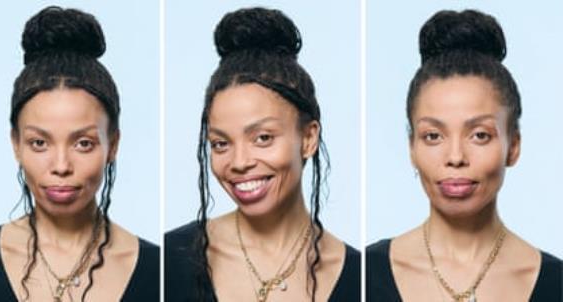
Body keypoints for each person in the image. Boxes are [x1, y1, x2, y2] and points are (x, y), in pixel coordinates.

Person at [0, 6, 159, 301]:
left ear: (113, 145)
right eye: (39, 143)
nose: (61, 166)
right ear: (16, 144)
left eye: (83, 143)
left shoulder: (159, 273)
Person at [165, 7, 361, 302]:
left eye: (263, 138)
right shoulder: (169, 259)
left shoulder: (360, 279)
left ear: (308, 138)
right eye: (220, 143)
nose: (240, 162)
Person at [366, 9, 562, 302]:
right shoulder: (365, 275)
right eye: (433, 136)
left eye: (479, 135)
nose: (455, 157)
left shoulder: (556, 285)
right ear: (412, 148)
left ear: (514, 146)